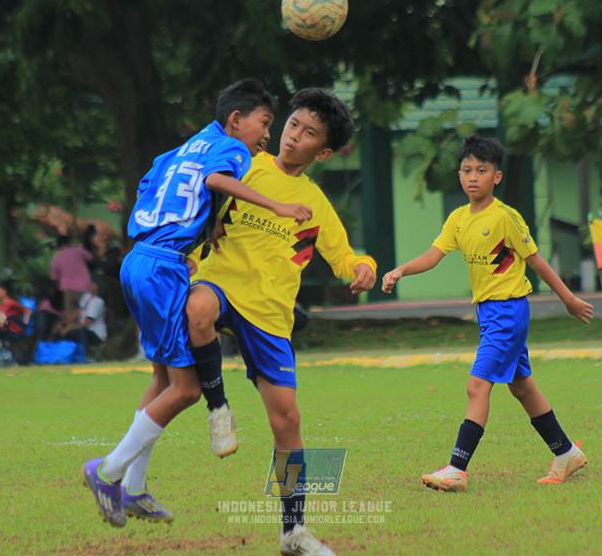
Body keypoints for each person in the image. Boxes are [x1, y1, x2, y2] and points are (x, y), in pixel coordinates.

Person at [81, 78, 312, 529]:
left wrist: (196, 231)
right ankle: (107, 471)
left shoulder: (185, 146)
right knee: (186, 390)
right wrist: (276, 207)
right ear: (236, 119)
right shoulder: (232, 148)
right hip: (163, 269)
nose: (268, 135)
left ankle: (133, 487)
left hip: (140, 260)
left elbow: (153, 185)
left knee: (164, 378)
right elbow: (215, 180)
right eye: (265, 124)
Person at [183, 88, 376, 556]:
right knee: (199, 310)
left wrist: (363, 266)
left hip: (270, 314)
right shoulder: (244, 165)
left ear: (323, 151)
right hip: (219, 282)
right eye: (292, 124)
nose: (293, 136)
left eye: (309, 133)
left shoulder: (315, 203)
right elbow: (197, 202)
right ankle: (218, 410)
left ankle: (294, 530)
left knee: (287, 420)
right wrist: (190, 257)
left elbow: (342, 256)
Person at [381, 135, 594, 492]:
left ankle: (457, 469)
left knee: (477, 386)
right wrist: (400, 270)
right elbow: (433, 256)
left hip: (508, 312)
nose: (472, 177)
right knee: (522, 388)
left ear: (496, 176)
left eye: (482, 170)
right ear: (459, 174)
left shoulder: (505, 218)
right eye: (466, 170)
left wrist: (569, 300)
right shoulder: (458, 219)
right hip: (488, 314)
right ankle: (566, 453)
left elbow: (536, 261)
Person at [54, 279, 107, 357]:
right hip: (82, 330)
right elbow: (78, 312)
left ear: (97, 287)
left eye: (93, 283)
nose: (91, 284)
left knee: (81, 331)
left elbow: (87, 323)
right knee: (59, 331)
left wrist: (69, 328)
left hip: (95, 334)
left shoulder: (98, 301)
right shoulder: (87, 295)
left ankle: (82, 356)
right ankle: (56, 356)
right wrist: (63, 324)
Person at [50, 235, 93, 318]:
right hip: (84, 288)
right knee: (86, 316)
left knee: (71, 318)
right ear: (69, 243)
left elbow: (54, 279)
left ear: (58, 245)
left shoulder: (56, 259)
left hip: (68, 291)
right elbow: (93, 259)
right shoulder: (79, 251)